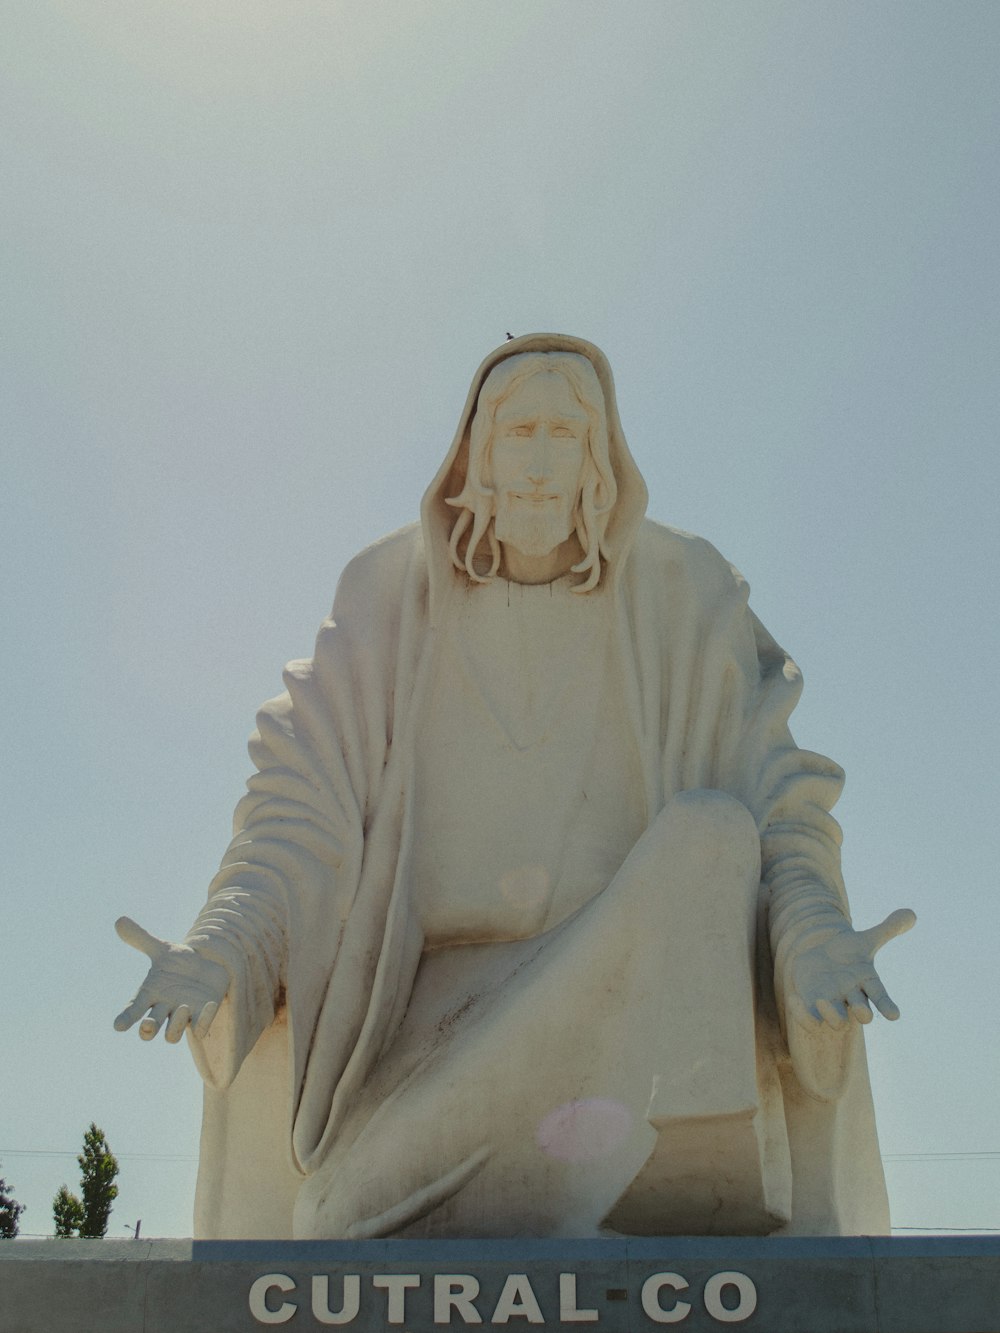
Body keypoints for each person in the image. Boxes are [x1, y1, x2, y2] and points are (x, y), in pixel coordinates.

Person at [115, 333, 914, 1239]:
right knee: (337, 1219)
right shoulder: (389, 601)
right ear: (475, 454)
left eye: (566, 436)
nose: (539, 465)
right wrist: (224, 950)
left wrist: (807, 935)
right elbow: (298, 817)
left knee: (710, 834)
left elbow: (773, 796)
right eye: (518, 432)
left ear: (599, 457)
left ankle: (693, 1180)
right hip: (440, 1030)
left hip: (641, 1011)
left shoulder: (680, 594)